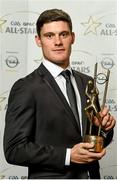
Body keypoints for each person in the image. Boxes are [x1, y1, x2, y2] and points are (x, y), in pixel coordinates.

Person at [3, 9, 116, 179]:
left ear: (73, 37)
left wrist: (104, 129)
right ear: (38, 40)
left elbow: (92, 143)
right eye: (49, 36)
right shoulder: (26, 87)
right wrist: (68, 156)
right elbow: (14, 150)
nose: (57, 42)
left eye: (63, 34)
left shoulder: (87, 82)